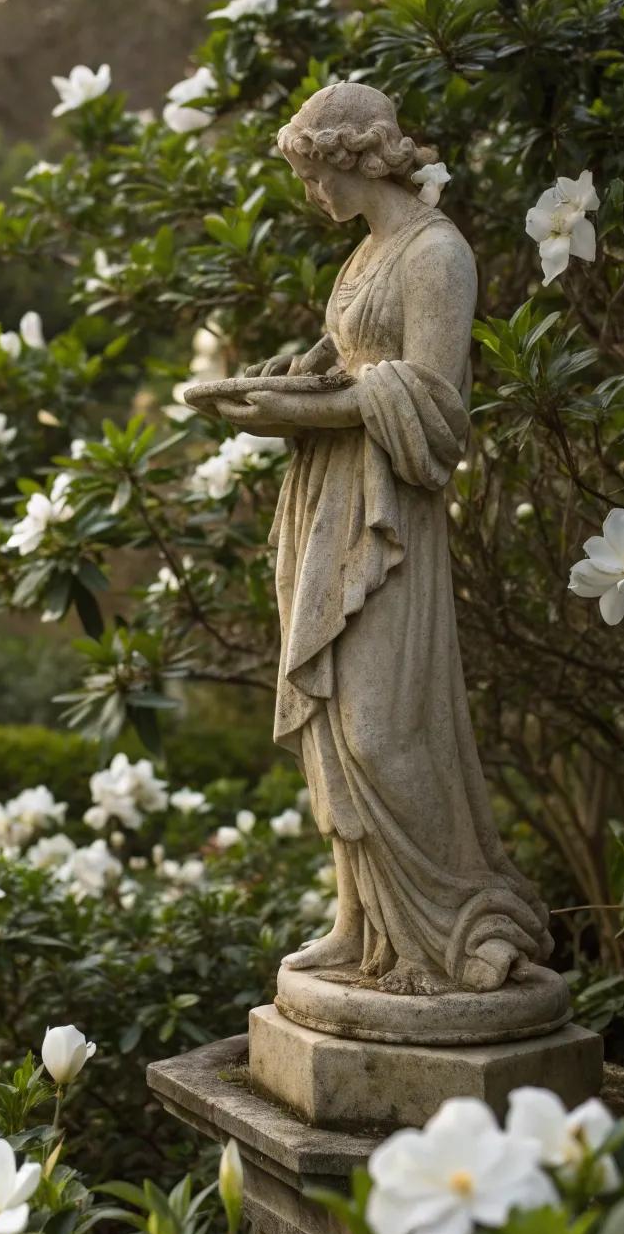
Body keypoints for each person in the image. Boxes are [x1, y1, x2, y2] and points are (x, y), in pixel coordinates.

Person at [213, 83, 550, 995]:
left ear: (358, 160)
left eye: (319, 175)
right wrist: (284, 380)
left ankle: (463, 923)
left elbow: (436, 406)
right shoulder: (363, 256)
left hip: (387, 510)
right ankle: (362, 923)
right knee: (334, 726)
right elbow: (341, 360)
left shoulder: (437, 255)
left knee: (381, 731)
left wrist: (299, 412)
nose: (314, 194)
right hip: (325, 504)